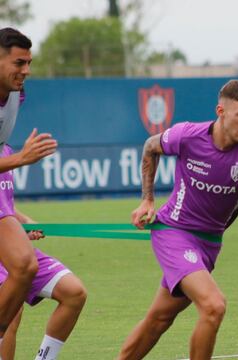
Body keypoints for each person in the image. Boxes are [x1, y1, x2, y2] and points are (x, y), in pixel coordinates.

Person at [118, 79, 238, 360]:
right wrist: (148, 199)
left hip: (209, 245)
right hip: (174, 233)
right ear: (220, 111)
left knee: (159, 319)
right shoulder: (188, 135)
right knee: (214, 306)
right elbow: (150, 147)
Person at [0, 144, 87, 360]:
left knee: (74, 293)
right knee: (12, 312)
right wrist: (22, 158)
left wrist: (25, 223)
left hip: (12, 244)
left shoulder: (6, 149)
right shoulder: (14, 156)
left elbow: (6, 205)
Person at [0, 27, 57, 350]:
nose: (26, 71)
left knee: (24, 265)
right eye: (19, 63)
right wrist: (21, 158)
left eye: (29, 63)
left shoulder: (15, 95)